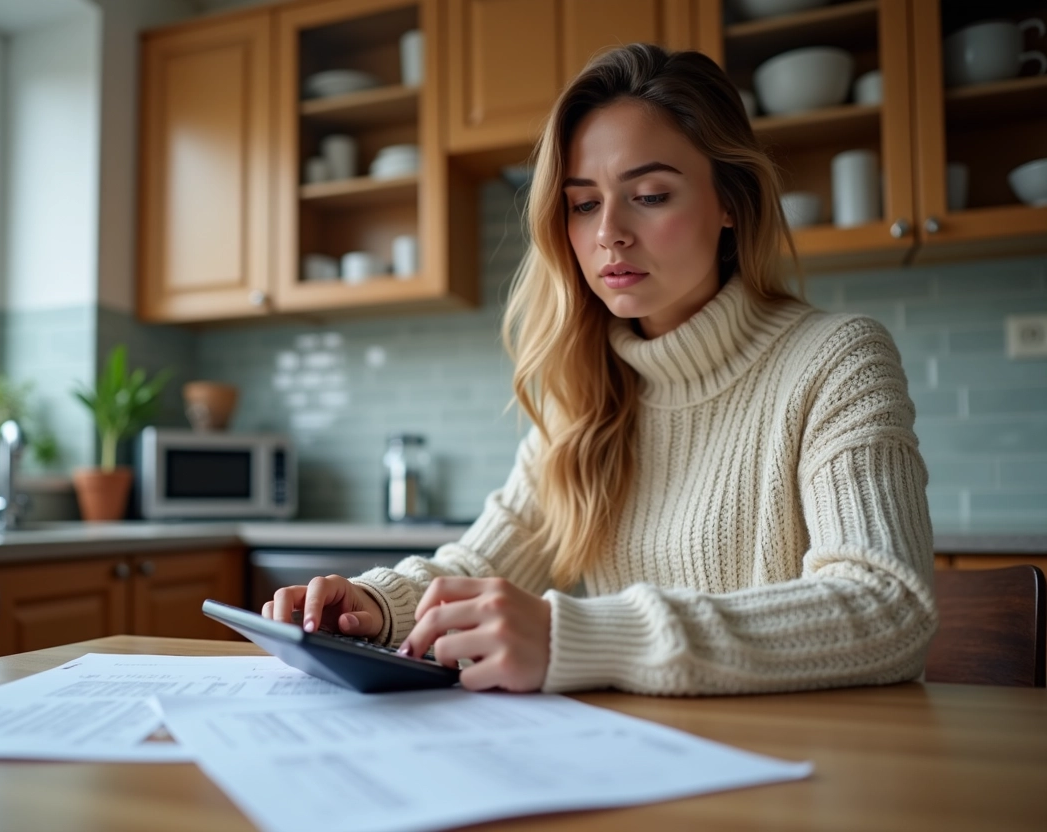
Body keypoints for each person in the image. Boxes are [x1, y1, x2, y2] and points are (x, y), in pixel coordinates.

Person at [263, 43, 937, 696]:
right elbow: (485, 561)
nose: (609, 231)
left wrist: (573, 635)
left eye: (648, 194)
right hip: (639, 763)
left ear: (730, 202)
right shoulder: (582, 391)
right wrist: (375, 605)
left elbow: (887, 608)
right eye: (584, 203)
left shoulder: (836, 358)